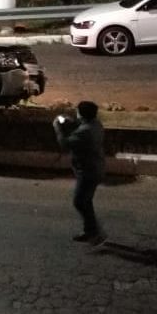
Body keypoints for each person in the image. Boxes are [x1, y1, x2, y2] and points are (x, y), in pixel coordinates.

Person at [53, 101, 107, 247]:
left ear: (81, 114)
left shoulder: (85, 131)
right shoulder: (95, 125)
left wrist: (58, 127)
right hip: (95, 167)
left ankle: (96, 233)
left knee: (79, 201)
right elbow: (80, 126)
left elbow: (65, 144)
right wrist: (71, 122)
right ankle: (90, 231)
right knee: (86, 201)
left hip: (88, 171)